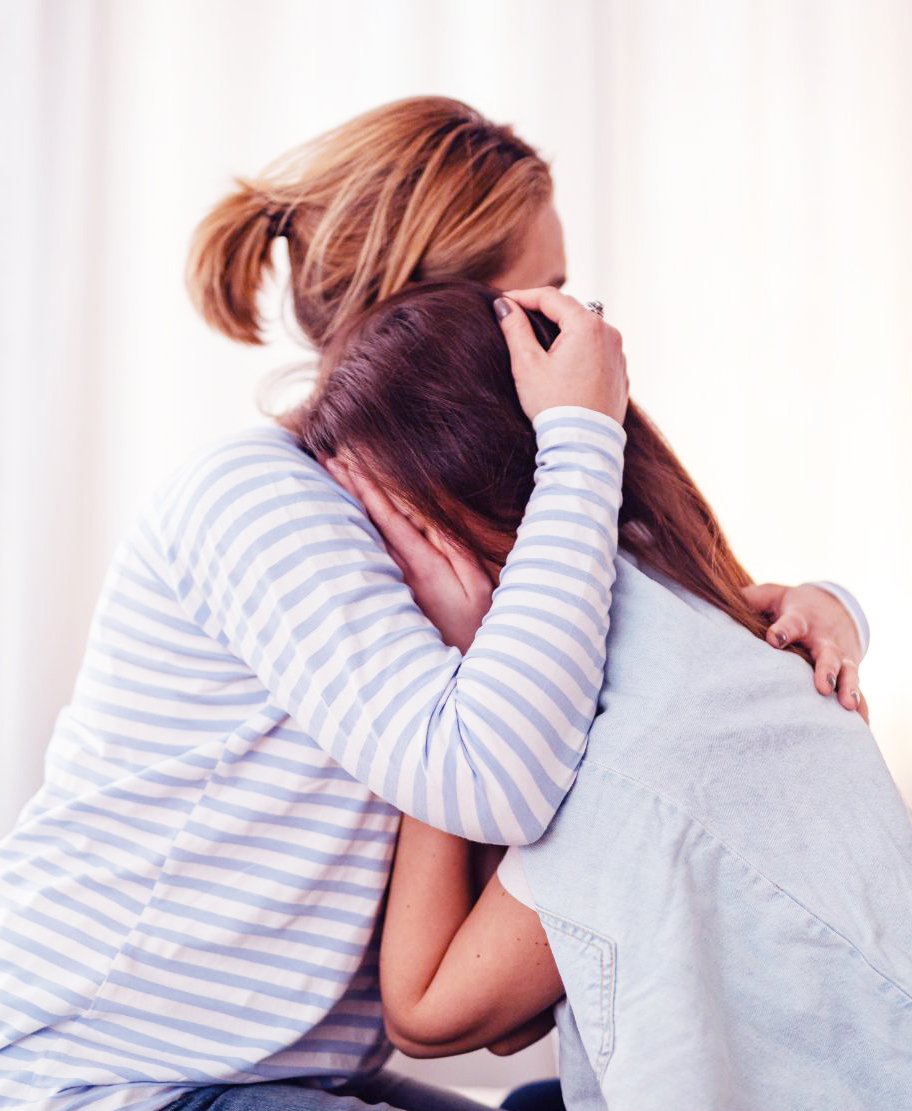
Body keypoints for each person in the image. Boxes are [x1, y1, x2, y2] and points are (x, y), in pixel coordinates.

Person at [0, 98, 865, 1111]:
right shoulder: (257, 499)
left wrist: (827, 606)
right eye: (545, 302)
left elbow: (653, 629)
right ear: (430, 323)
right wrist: (581, 434)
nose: (581, 335)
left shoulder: (461, 520)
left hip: (297, 1071)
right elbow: (488, 776)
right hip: (111, 1074)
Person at [328, 283, 912, 1111]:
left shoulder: (637, 746)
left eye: (381, 536)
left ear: (444, 523)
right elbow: (516, 1015)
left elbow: (428, 1013)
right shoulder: (669, 593)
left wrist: (448, 689)